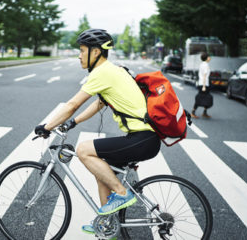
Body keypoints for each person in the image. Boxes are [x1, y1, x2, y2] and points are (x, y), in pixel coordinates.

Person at [34, 28, 161, 235]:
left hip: (142, 139)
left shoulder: (102, 72)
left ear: (95, 52)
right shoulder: (113, 71)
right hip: (143, 138)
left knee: (84, 150)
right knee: (101, 169)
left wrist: (46, 126)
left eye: (82, 50)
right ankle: (106, 226)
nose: (79, 55)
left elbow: (72, 104)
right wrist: (73, 123)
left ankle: (121, 193)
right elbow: (100, 103)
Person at [191, 52, 211, 119]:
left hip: (202, 83)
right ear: (206, 58)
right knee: (200, 97)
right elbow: (205, 75)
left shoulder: (202, 64)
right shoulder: (205, 65)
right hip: (203, 84)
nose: (210, 58)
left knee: (206, 98)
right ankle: (193, 112)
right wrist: (204, 86)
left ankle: (204, 112)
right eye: (209, 57)